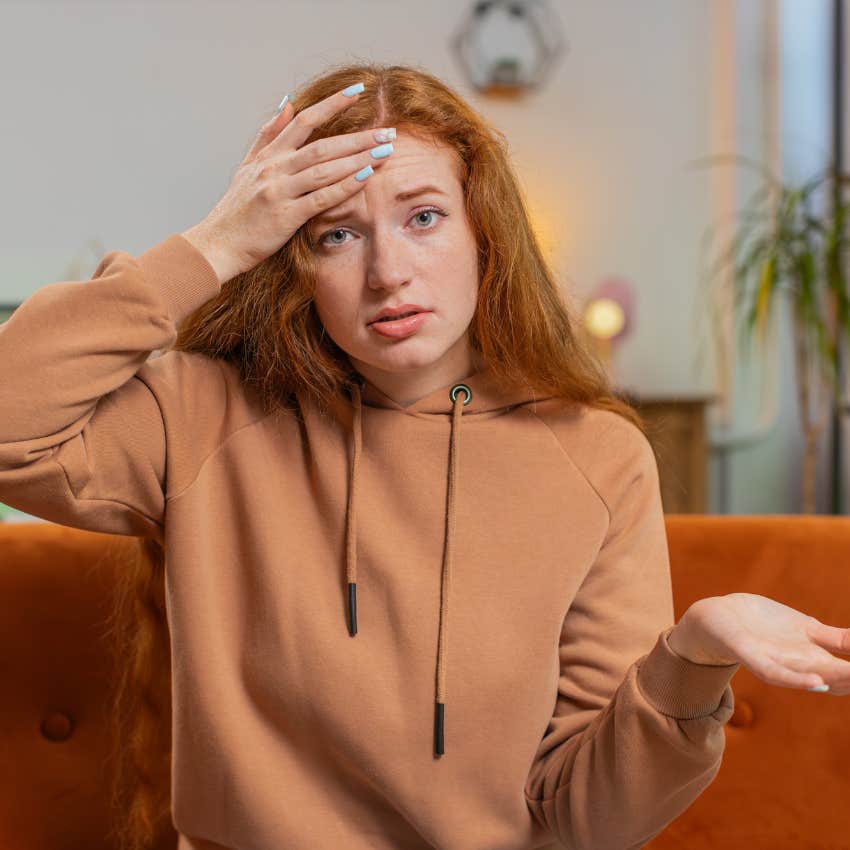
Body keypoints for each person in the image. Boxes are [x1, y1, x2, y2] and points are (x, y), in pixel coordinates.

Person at [1, 61, 847, 850]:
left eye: (424, 217)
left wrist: (692, 656)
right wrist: (218, 244)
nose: (388, 273)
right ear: (290, 261)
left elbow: (588, 818)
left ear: (486, 234)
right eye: (335, 234)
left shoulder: (598, 456)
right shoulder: (202, 411)